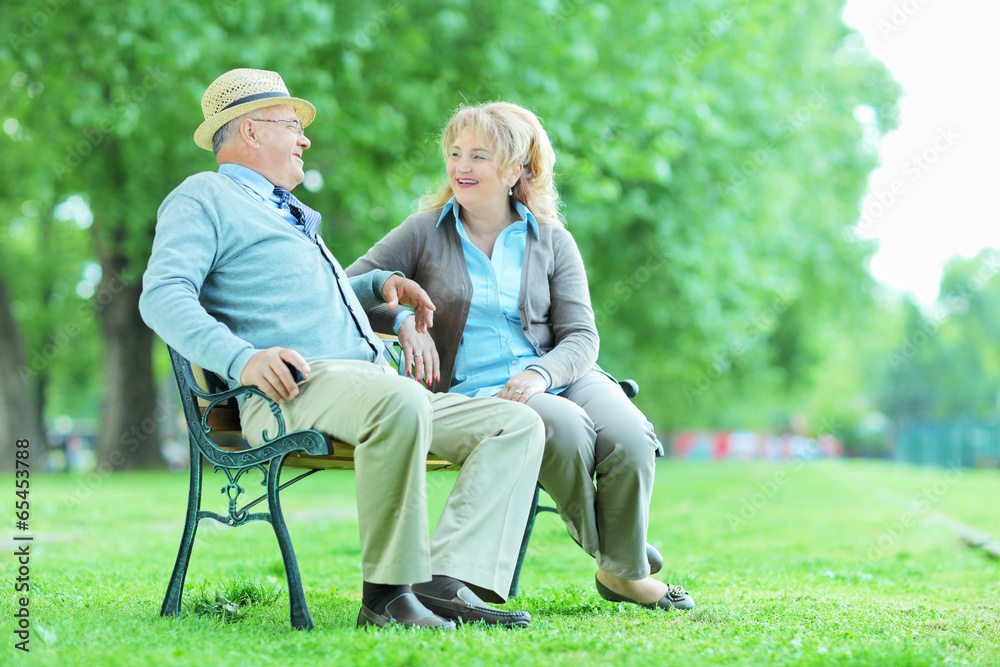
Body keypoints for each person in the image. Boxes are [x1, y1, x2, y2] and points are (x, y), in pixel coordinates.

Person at [139, 70, 546, 631]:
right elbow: (162, 295)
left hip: (365, 387)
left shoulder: (285, 211)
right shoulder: (204, 197)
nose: (305, 139)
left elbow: (306, 300)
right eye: (292, 126)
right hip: (288, 390)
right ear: (251, 132)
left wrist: (379, 286)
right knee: (398, 399)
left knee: (516, 424)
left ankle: (443, 582)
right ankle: (385, 598)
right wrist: (242, 360)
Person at [347, 101, 695, 612]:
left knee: (628, 435)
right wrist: (400, 320)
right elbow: (347, 290)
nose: (461, 167)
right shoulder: (423, 232)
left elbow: (580, 336)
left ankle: (618, 562)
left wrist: (539, 373)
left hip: (561, 372)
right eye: (455, 153)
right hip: (481, 390)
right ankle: (621, 564)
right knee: (568, 428)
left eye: (479, 156)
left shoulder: (553, 241)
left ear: (516, 170)